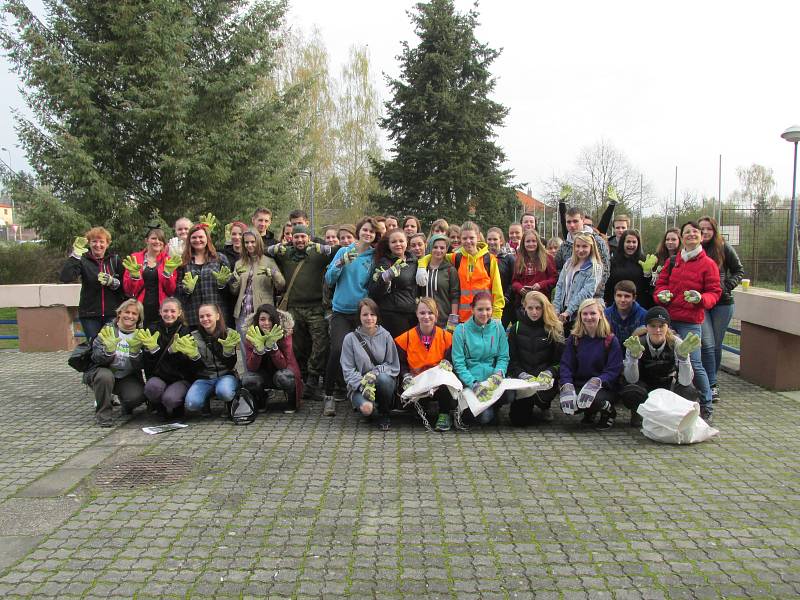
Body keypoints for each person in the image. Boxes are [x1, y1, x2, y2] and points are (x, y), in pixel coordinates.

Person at [653, 220, 722, 423]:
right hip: (669, 321)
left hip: (691, 321)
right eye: (687, 232)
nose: (691, 235)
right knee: (671, 363)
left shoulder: (708, 264)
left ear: (701, 236)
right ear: (682, 238)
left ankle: (706, 405)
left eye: (695, 232)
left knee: (695, 363)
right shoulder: (673, 261)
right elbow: (661, 284)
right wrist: (661, 294)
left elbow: (714, 292)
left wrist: (701, 299)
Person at [267, 224, 334, 402]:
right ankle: (301, 381)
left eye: (303, 237)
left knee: (320, 344)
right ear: (292, 238)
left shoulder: (317, 254)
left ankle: (313, 382)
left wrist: (327, 248)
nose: (300, 240)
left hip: (315, 307)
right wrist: (274, 247)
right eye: (296, 237)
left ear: (309, 238)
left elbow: (341, 251)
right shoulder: (286, 253)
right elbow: (262, 252)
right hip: (293, 308)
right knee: (296, 346)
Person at [323, 217, 380, 416]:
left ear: (375, 236)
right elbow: (329, 279)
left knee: (363, 355)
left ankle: (360, 394)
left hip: (360, 313)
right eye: (365, 230)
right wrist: (340, 263)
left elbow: (372, 286)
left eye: (371, 232)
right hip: (340, 311)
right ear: (359, 231)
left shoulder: (373, 258)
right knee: (338, 349)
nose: (367, 233)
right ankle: (329, 396)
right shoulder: (344, 250)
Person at [620, 306, 699, 427]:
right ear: (646, 327)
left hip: (668, 386)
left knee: (689, 391)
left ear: (668, 327)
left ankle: (676, 414)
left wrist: (684, 358)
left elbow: (686, 381)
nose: (657, 330)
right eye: (652, 326)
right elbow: (631, 379)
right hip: (644, 385)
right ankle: (638, 413)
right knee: (630, 391)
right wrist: (634, 358)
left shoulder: (677, 343)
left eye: (661, 326)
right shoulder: (636, 343)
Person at [558, 298, 623, 430]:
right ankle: (590, 412)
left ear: (600, 315)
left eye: (593, 313)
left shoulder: (610, 340)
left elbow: (613, 370)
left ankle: (609, 413)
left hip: (603, 387)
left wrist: (597, 381)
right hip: (580, 384)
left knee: (594, 400)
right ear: (580, 316)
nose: (589, 317)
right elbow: (566, 365)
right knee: (567, 404)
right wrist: (566, 385)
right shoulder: (574, 338)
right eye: (585, 313)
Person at [699, 215, 744, 403]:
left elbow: (739, 270)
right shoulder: (693, 249)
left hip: (722, 303)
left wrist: (726, 286)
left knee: (716, 345)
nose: (705, 232)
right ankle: (708, 382)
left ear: (714, 230)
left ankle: (712, 383)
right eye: (701, 229)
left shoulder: (723, 247)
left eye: (709, 228)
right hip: (701, 302)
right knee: (707, 344)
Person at [395, 298, 455, 431]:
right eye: (422, 313)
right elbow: (400, 362)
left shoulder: (447, 337)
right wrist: (405, 375)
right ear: (416, 314)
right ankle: (422, 409)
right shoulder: (406, 337)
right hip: (416, 382)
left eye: (430, 313)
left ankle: (444, 414)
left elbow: (451, 359)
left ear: (436, 314)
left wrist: (448, 363)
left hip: (438, 384)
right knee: (417, 411)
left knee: (448, 379)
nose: (426, 316)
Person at [84, 299, 147, 427]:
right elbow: (95, 357)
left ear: (139, 317)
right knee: (104, 377)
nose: (130, 316)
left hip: (126, 376)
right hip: (104, 371)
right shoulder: (107, 330)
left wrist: (135, 354)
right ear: (119, 313)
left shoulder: (141, 335)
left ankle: (126, 403)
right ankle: (103, 414)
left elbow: (143, 365)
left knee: (137, 396)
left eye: (134, 314)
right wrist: (108, 352)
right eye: (127, 312)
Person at [341, 298, 400, 431]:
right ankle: (371, 409)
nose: (369, 318)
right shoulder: (350, 339)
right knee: (367, 409)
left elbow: (393, 364)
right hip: (359, 386)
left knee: (384, 379)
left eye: (372, 314)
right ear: (359, 317)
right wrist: (364, 385)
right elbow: (348, 370)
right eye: (365, 314)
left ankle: (384, 413)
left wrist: (375, 374)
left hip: (382, 381)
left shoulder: (386, 336)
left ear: (377, 316)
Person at [451, 291, 509, 425]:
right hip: (471, 382)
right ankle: (470, 410)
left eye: (488, 309)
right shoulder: (461, 330)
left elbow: (503, 357)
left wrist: (499, 373)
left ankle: (493, 407)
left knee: (511, 394)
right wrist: (474, 384)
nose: (484, 313)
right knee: (485, 419)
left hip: (492, 380)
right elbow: (459, 364)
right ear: (472, 309)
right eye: (480, 309)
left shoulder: (498, 328)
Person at [507, 291, 563, 426]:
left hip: (544, 381)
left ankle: (544, 406)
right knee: (518, 421)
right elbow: (511, 361)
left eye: (538, 308)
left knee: (542, 400)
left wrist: (549, 372)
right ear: (524, 308)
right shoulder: (516, 329)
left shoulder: (553, 329)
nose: (534, 312)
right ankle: (527, 404)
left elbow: (560, 362)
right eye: (530, 308)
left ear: (544, 308)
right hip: (524, 382)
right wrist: (521, 374)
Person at [60, 227, 126, 341]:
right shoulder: (83, 260)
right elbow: (66, 277)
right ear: (89, 243)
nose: (98, 245)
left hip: (112, 313)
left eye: (101, 241)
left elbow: (126, 285)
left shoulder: (114, 260)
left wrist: (113, 282)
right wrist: (75, 256)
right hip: (90, 313)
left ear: (107, 244)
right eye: (94, 241)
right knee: (94, 347)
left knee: (111, 346)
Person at [230, 231, 285, 355]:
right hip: (243, 312)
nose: (250, 245)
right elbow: (234, 291)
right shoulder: (239, 263)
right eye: (247, 242)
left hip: (261, 312)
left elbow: (281, 285)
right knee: (245, 347)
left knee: (264, 345)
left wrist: (274, 274)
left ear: (258, 242)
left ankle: (265, 374)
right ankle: (248, 373)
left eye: (253, 242)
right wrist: (235, 280)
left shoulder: (269, 261)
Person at [180, 303, 240, 415]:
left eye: (208, 315)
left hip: (225, 375)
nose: (205, 319)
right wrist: (194, 357)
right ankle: (204, 402)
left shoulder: (228, 333)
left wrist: (228, 352)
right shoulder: (193, 336)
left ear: (217, 316)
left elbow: (231, 364)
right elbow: (195, 369)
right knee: (192, 404)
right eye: (201, 316)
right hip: (204, 378)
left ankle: (230, 402)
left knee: (225, 392)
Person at [243, 303, 303, 413]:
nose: (266, 323)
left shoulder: (284, 332)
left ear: (275, 320)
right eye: (262, 319)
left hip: (282, 373)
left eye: (270, 320)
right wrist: (258, 351)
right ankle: (261, 399)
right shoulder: (251, 334)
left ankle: (291, 402)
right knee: (248, 379)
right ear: (257, 320)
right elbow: (251, 367)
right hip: (262, 374)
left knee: (284, 377)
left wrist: (273, 348)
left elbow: (284, 365)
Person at [141, 297, 194, 419]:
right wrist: (152, 351)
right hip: (159, 375)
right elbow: (147, 362)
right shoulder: (152, 329)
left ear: (179, 312)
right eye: (165, 311)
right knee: (151, 388)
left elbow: (187, 364)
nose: (169, 314)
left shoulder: (185, 330)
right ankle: (159, 407)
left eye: (172, 311)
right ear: (160, 311)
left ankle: (177, 407)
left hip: (179, 378)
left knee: (170, 399)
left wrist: (175, 353)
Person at [176, 223, 232, 330]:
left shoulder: (220, 259)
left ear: (207, 238)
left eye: (201, 237)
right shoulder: (183, 261)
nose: (198, 240)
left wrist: (222, 285)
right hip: (193, 316)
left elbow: (231, 289)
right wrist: (186, 290)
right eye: (194, 237)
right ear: (189, 240)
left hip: (217, 316)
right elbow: (177, 291)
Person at [122, 226, 180, 328]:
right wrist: (134, 277)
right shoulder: (135, 258)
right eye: (153, 238)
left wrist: (167, 275)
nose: (157, 241)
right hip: (139, 308)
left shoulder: (169, 260)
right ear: (146, 240)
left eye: (160, 239)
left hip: (161, 309)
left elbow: (171, 290)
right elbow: (128, 290)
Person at [368, 228, 419, 338]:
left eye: (401, 241)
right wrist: (385, 278)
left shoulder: (414, 261)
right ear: (389, 245)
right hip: (393, 313)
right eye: (394, 242)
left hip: (412, 313)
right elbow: (374, 291)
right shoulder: (385, 262)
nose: (398, 244)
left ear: (407, 242)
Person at [553, 233, 604, 331]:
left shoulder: (595, 267)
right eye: (578, 246)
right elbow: (559, 286)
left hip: (580, 313)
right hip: (562, 311)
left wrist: (569, 311)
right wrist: (556, 308)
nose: (580, 250)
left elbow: (586, 293)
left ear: (591, 247)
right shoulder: (568, 263)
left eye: (584, 246)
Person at [555, 206, 611, 296]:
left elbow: (605, 269)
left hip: (592, 297)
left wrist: (593, 290)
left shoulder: (597, 241)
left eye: (575, 221)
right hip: (568, 297)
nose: (572, 225)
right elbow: (557, 267)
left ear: (583, 220)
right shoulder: (564, 245)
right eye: (568, 222)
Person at [603, 229, 655, 309]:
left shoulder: (643, 261)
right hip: (616, 305)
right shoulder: (613, 261)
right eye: (628, 242)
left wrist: (647, 274)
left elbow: (646, 286)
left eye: (634, 242)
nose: (631, 245)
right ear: (622, 243)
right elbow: (608, 285)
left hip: (638, 305)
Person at [418, 234, 460, 330]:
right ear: (430, 247)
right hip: (425, 319)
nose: (438, 250)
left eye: (442, 248)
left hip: (444, 320)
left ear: (446, 250)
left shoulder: (450, 270)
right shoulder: (422, 269)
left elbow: (455, 296)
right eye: (435, 247)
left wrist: (453, 319)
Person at [511, 229, 557, 308]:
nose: (531, 244)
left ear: (538, 242)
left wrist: (541, 285)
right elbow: (514, 281)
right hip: (524, 302)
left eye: (533, 241)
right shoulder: (519, 259)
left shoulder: (547, 258)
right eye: (528, 241)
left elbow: (554, 279)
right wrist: (519, 288)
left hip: (542, 301)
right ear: (523, 243)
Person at [486, 227, 516, 326]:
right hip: (487, 302)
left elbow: (514, 279)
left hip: (506, 303)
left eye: (495, 239)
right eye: (489, 239)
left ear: (501, 241)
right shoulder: (483, 258)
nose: (492, 242)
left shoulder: (509, 258)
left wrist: (507, 296)